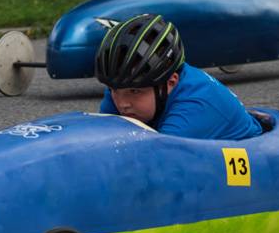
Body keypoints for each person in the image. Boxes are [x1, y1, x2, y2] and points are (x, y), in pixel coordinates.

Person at [96, 14, 262, 140]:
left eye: (134, 91)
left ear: (170, 82)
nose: (122, 104)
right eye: (113, 90)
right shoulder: (122, 87)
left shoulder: (194, 110)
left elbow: (146, 167)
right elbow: (102, 136)